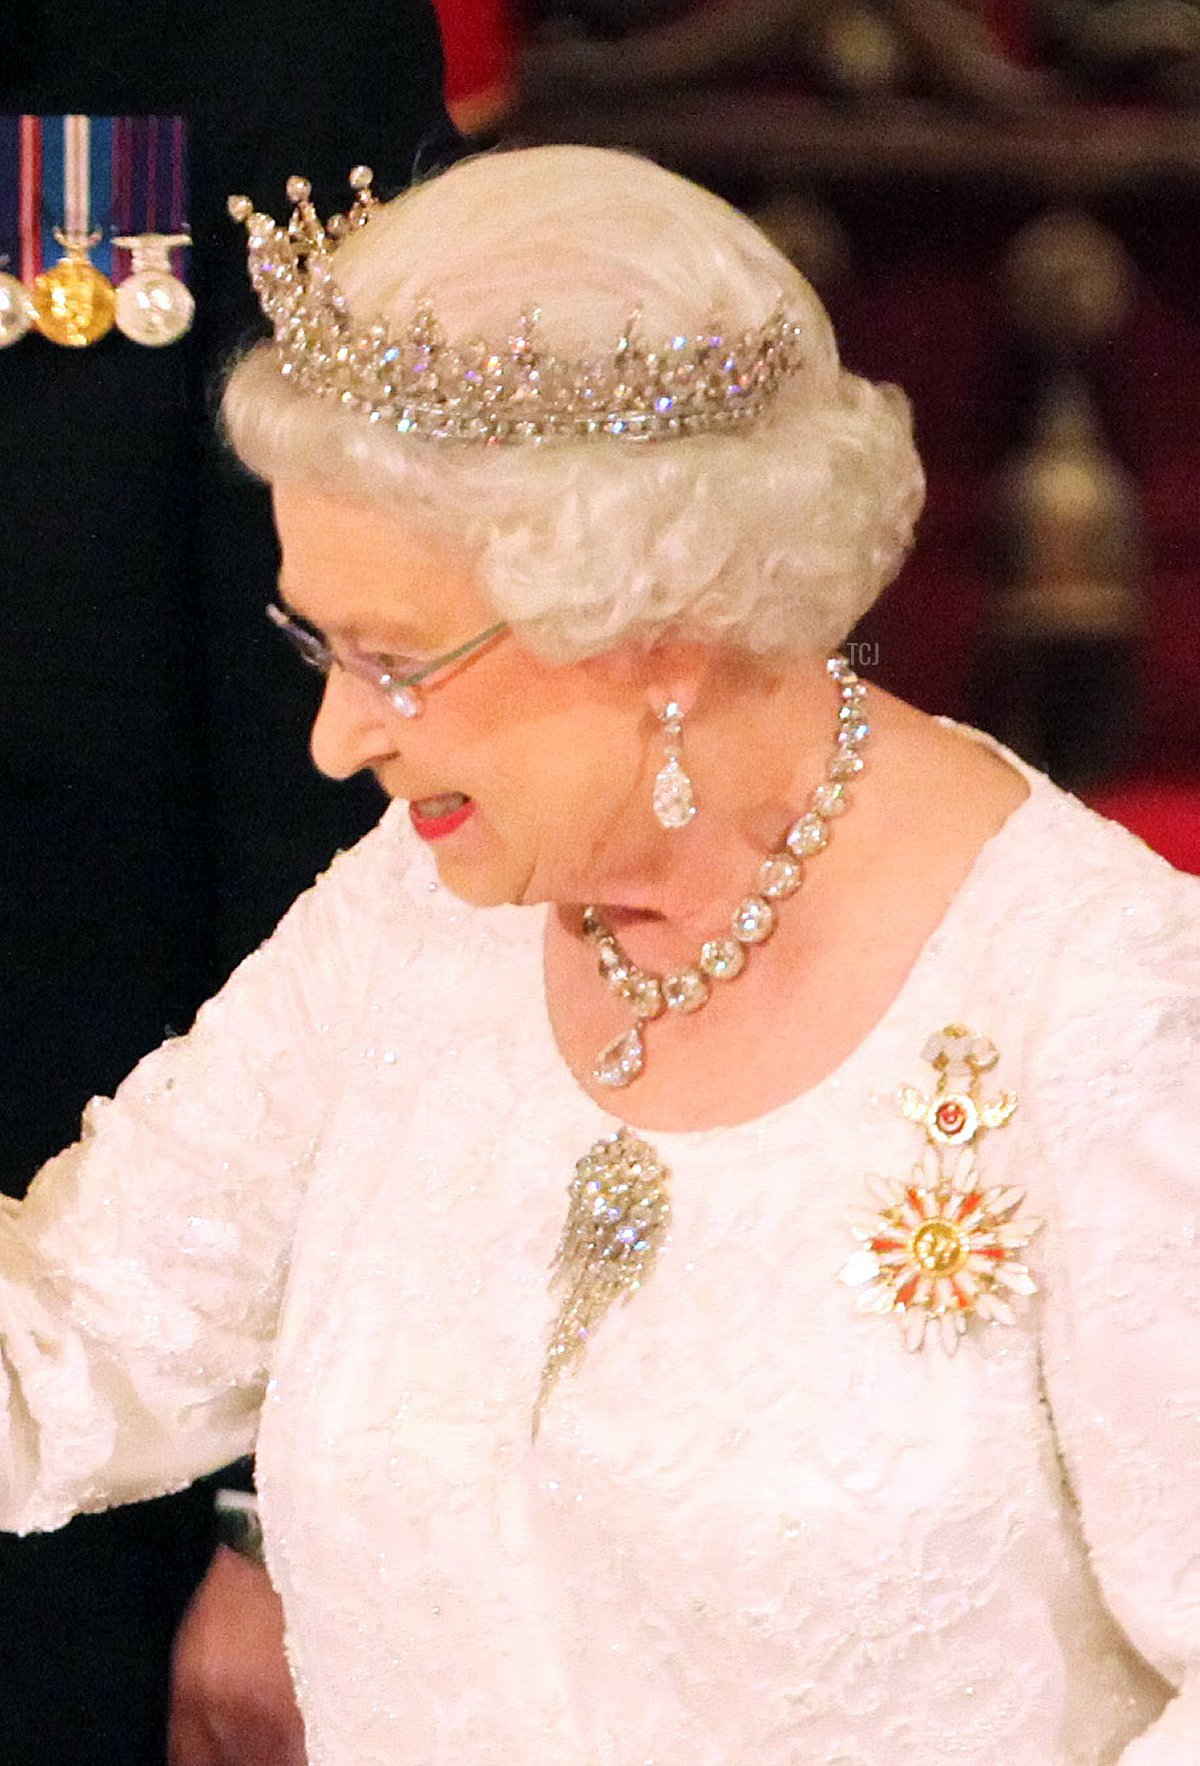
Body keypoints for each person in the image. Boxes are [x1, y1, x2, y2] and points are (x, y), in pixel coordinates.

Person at [1, 143, 1197, 1764]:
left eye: (394, 660)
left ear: (658, 627)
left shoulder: (1109, 1013)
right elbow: (59, 1338)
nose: (338, 737)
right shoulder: (414, 918)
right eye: (314, 641)